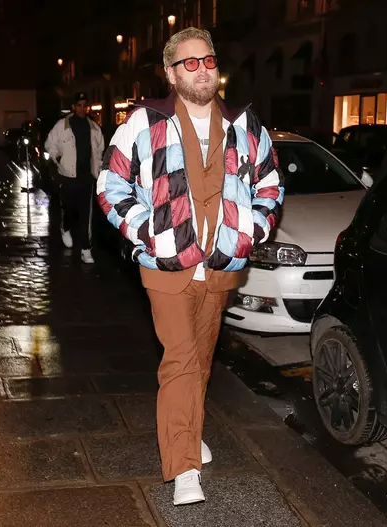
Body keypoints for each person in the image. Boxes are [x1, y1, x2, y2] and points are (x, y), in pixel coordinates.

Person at [97, 28, 284, 505]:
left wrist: (252, 229)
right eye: (190, 63)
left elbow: (271, 185)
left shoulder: (246, 124)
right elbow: (110, 185)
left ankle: (188, 430)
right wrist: (148, 233)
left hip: (222, 264)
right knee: (179, 360)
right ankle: (184, 467)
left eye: (208, 60)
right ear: (171, 72)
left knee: (200, 361)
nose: (202, 69)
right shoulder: (146, 121)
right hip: (166, 266)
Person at [45, 92, 105, 264]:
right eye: (79, 105)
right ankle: (65, 227)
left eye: (84, 105)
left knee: (86, 214)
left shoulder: (93, 127)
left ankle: (86, 249)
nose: (82, 108)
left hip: (87, 177)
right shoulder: (62, 126)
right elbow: (50, 144)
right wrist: (57, 158)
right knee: (69, 209)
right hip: (67, 175)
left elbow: (100, 148)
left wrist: (98, 166)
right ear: (73, 106)